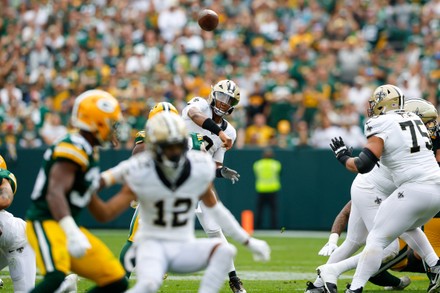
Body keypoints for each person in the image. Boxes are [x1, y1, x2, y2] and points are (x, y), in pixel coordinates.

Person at [93, 112, 271, 293]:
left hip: (183, 248)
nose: (173, 152)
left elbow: (218, 212)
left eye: (177, 145)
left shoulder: (198, 166)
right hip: (153, 248)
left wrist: (248, 241)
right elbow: (101, 183)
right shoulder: (141, 167)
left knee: (225, 251)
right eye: (167, 146)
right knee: (148, 285)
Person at [327, 84, 440, 293]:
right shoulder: (413, 121)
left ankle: (349, 284)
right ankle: (435, 264)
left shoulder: (382, 123)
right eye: (431, 121)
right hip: (434, 190)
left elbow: (363, 165)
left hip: (413, 189)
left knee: (378, 241)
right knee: (401, 230)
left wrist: (342, 156)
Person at [25, 90, 128, 292]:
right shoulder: (73, 145)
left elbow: (102, 213)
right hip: (46, 221)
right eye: (111, 123)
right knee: (56, 277)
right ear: (97, 122)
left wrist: (129, 193)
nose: (113, 129)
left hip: (68, 225)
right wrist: (72, 232)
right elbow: (55, 193)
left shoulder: (89, 152)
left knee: (116, 279)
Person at [181, 79, 245, 292]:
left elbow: (214, 164)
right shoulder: (199, 104)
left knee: (214, 230)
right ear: (213, 94)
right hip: (174, 173)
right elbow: (194, 116)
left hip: (198, 179)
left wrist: (221, 172)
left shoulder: (232, 132)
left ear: (233, 106)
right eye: (221, 96)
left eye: (228, 101)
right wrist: (219, 132)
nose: (223, 103)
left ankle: (234, 279)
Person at [253, 148, 281, 229]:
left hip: (261, 189)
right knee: (273, 211)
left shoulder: (257, 164)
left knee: (260, 210)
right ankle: (274, 227)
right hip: (273, 189)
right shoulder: (276, 164)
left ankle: (257, 227)